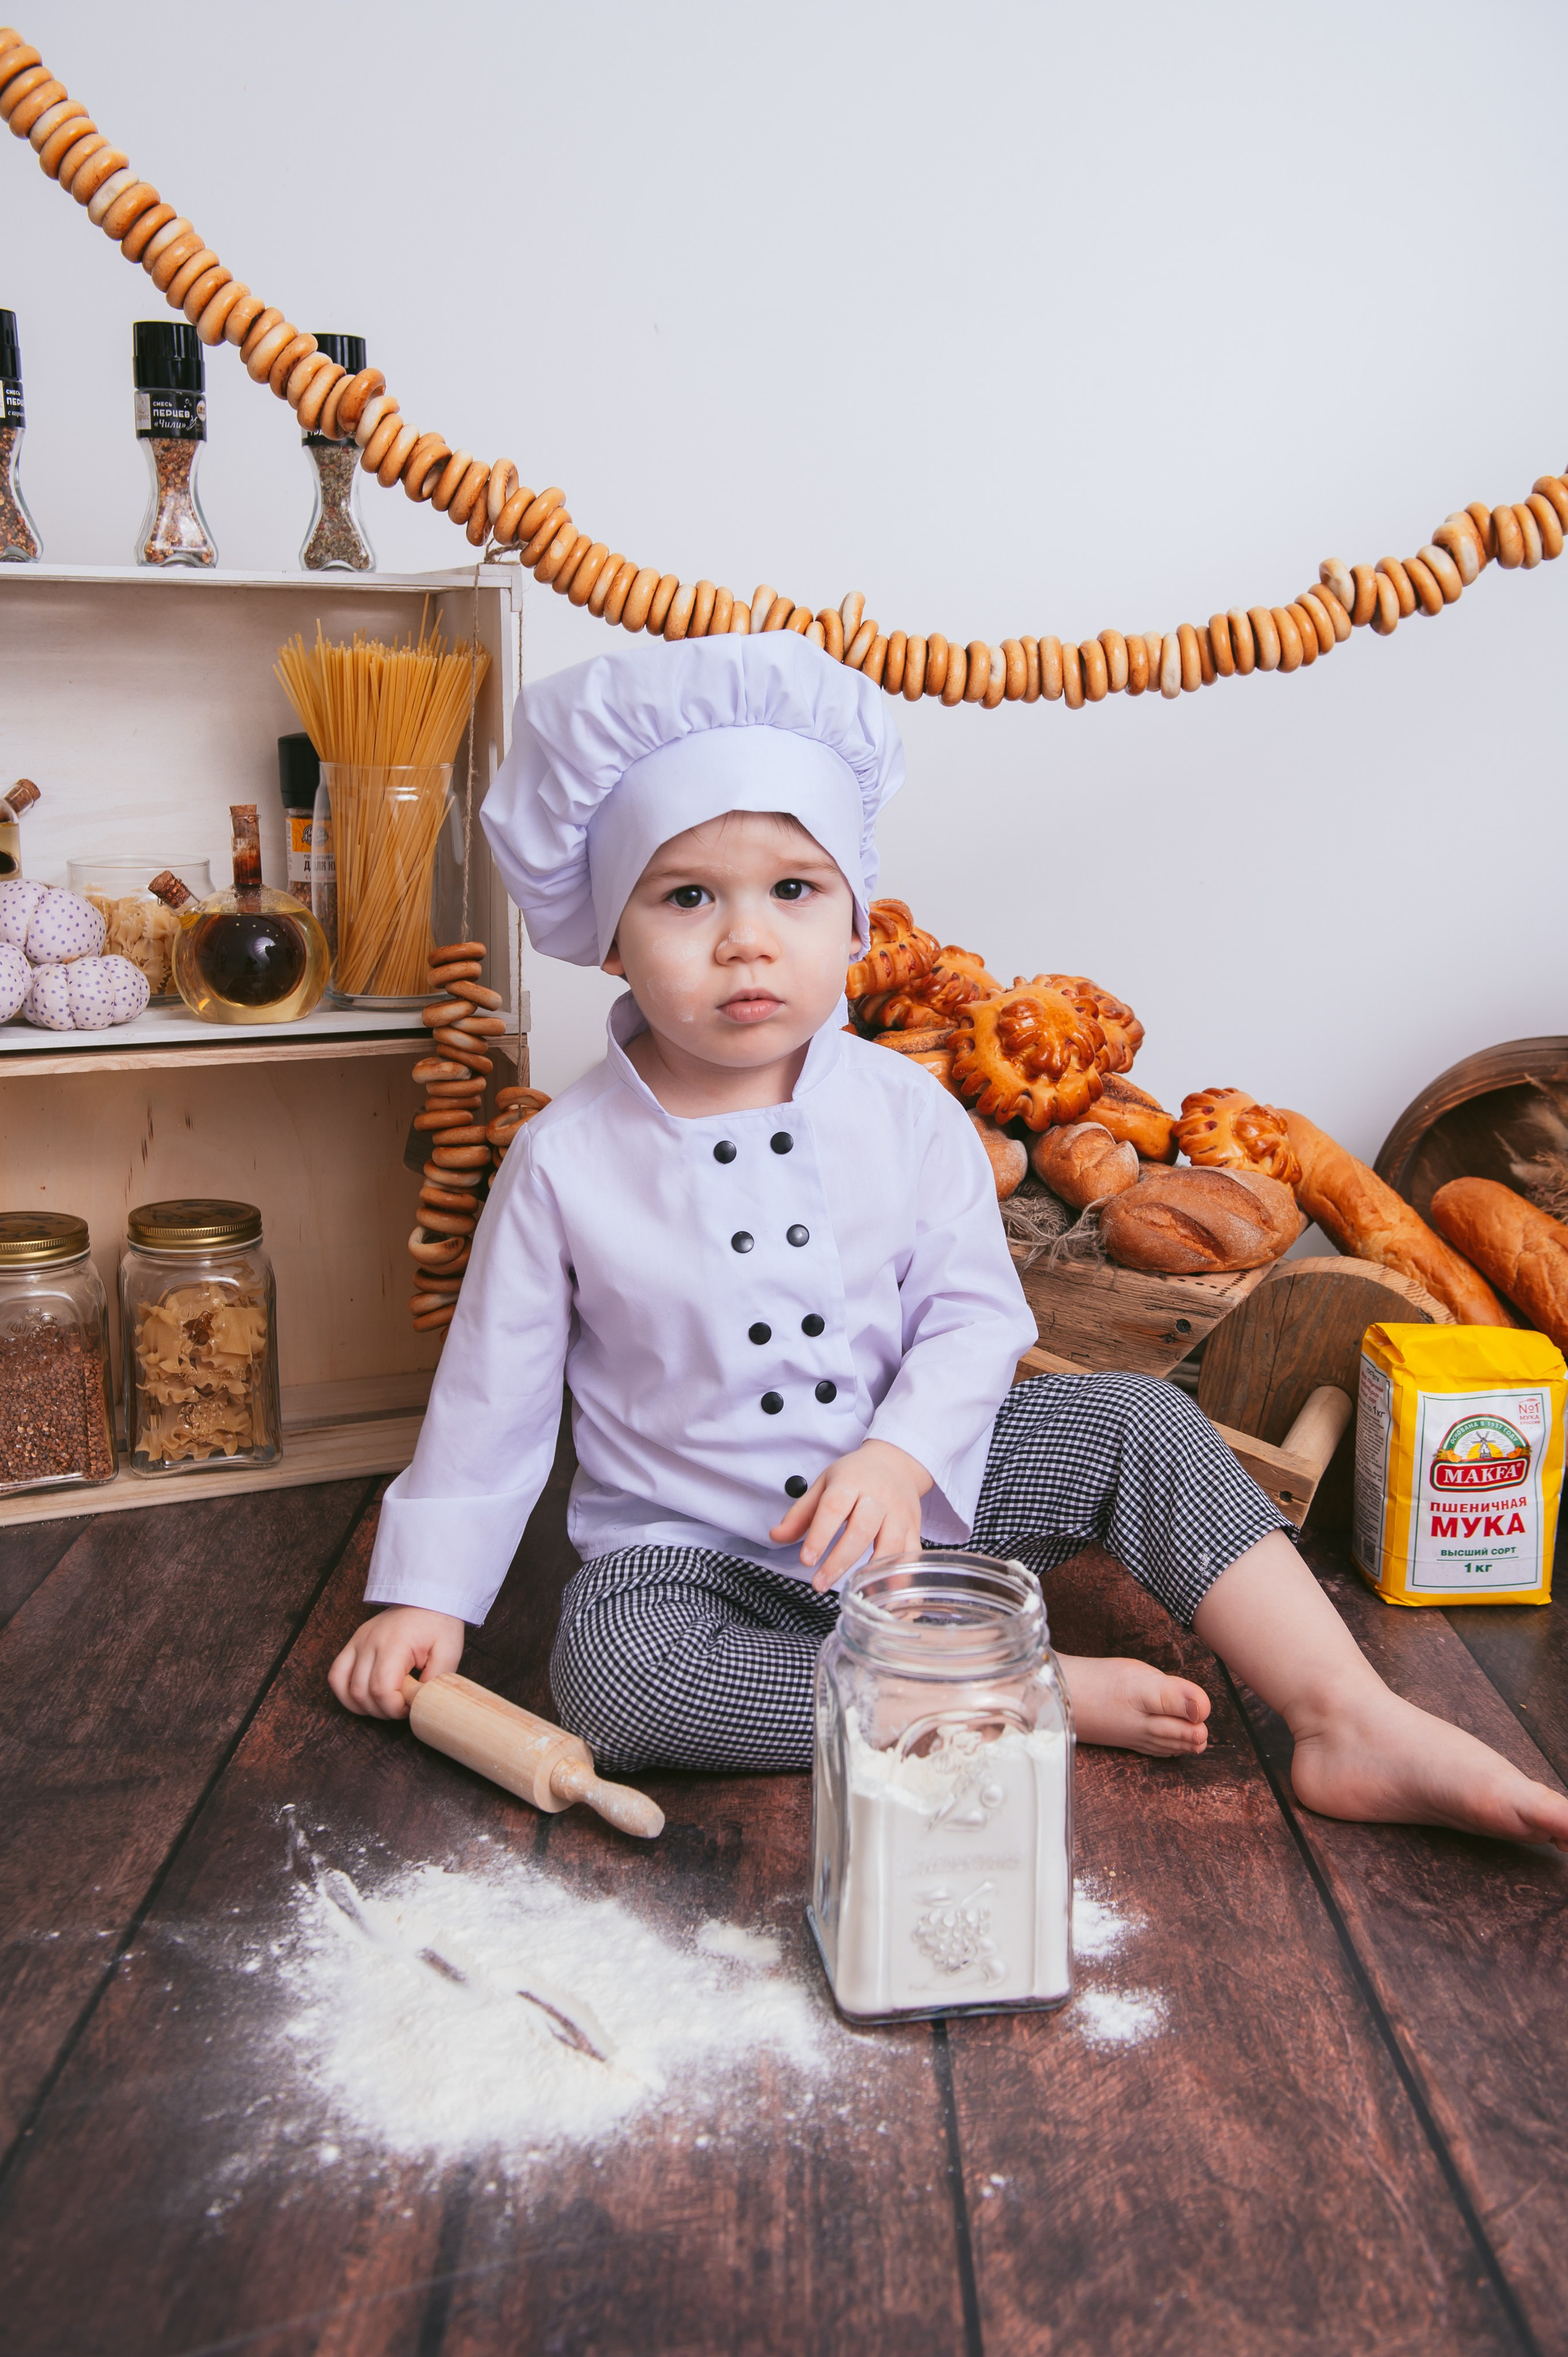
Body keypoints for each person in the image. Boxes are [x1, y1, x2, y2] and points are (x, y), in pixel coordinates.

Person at [330, 632, 1567, 1852]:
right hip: (697, 1548)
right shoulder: (563, 1160)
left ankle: (1343, 1713)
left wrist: (899, 1453)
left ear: (857, 920)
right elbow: (492, 1390)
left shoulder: (903, 1107)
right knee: (616, 1681)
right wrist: (426, 1593)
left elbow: (976, 1316)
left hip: (933, 1496)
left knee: (1138, 1422)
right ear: (606, 931)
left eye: (793, 890)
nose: (745, 937)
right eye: (685, 894)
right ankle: (1006, 1693)